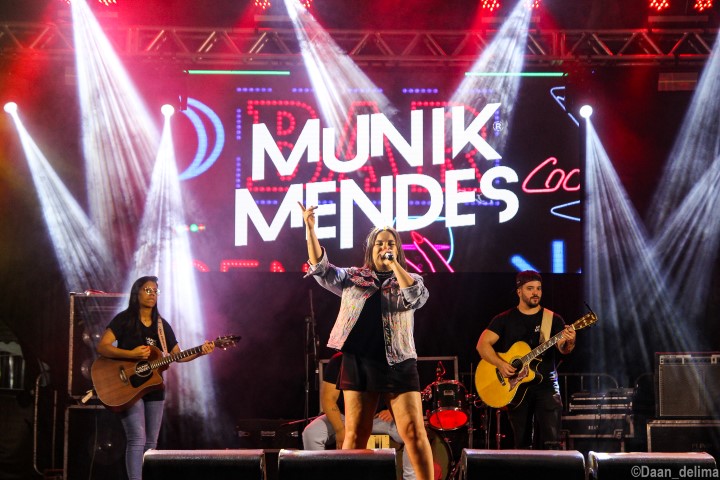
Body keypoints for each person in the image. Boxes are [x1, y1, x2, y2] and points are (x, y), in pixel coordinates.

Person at [299, 202, 434, 480]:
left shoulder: (410, 279)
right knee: (356, 435)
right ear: (370, 250)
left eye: (390, 243)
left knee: (414, 432)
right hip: (359, 362)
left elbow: (415, 298)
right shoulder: (352, 278)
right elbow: (321, 269)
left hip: (399, 362)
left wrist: (394, 264)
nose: (384, 247)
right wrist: (310, 230)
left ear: (398, 249)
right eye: (379, 244)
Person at [96, 276, 215, 480]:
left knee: (151, 442)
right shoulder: (124, 320)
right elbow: (103, 347)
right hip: (127, 386)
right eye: (148, 290)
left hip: (154, 387)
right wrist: (131, 354)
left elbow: (178, 355)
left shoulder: (162, 326)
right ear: (137, 293)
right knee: (137, 437)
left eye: (155, 291)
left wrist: (201, 352)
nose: (152, 294)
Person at [476, 270, 576, 449]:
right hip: (516, 388)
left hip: (546, 387)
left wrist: (570, 340)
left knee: (552, 443)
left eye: (538, 288)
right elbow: (482, 345)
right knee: (521, 445)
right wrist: (501, 364)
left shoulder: (553, 319)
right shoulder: (504, 319)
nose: (535, 292)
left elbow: (564, 349)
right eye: (530, 288)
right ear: (519, 291)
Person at [302, 353, 415, 480]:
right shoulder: (339, 360)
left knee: (413, 433)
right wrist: (340, 430)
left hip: (378, 418)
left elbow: (404, 393)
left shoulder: (388, 359)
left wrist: (392, 411)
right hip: (343, 416)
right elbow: (328, 399)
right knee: (311, 433)